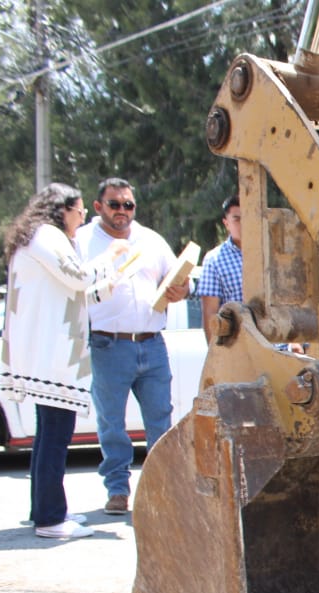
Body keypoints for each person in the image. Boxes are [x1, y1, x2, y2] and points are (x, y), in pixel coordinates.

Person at [1, 184, 127, 539]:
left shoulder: (40, 237)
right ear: (61, 209)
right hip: (50, 355)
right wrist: (112, 254)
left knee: (49, 436)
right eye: (79, 209)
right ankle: (51, 519)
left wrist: (107, 284)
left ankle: (44, 508)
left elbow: (72, 291)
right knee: (55, 436)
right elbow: (78, 276)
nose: (83, 215)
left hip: (48, 353)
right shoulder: (46, 236)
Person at [77, 177, 188, 515]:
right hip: (109, 344)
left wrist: (178, 290)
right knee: (112, 423)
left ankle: (162, 489)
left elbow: (179, 281)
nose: (122, 211)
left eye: (128, 205)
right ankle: (117, 490)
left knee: (160, 420)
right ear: (98, 208)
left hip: (152, 343)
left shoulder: (150, 239)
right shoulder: (83, 241)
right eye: (115, 205)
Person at [195, 195, 242, 342]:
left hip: (277, 346)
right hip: (238, 346)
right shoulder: (215, 259)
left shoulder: (270, 253)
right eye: (237, 219)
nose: (244, 224)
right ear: (226, 223)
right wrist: (215, 359)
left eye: (249, 217)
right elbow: (210, 313)